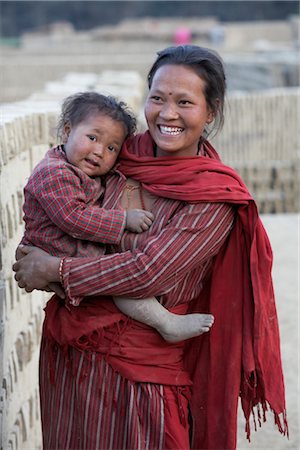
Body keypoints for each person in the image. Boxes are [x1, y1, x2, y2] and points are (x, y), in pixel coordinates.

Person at [13, 45, 287, 450]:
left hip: (144, 373)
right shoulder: (117, 154)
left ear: (210, 112)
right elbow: (57, 205)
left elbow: (147, 272)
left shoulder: (212, 198)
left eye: (184, 102)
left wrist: (54, 269)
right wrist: (34, 248)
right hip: (72, 356)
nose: (167, 113)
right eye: (157, 98)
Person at [22, 91, 214, 343]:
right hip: (60, 245)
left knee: (116, 274)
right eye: (92, 138)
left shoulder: (79, 169)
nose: (99, 151)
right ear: (67, 131)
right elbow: (73, 218)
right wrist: (123, 220)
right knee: (118, 277)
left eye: (112, 147)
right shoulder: (54, 173)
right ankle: (165, 323)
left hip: (64, 249)